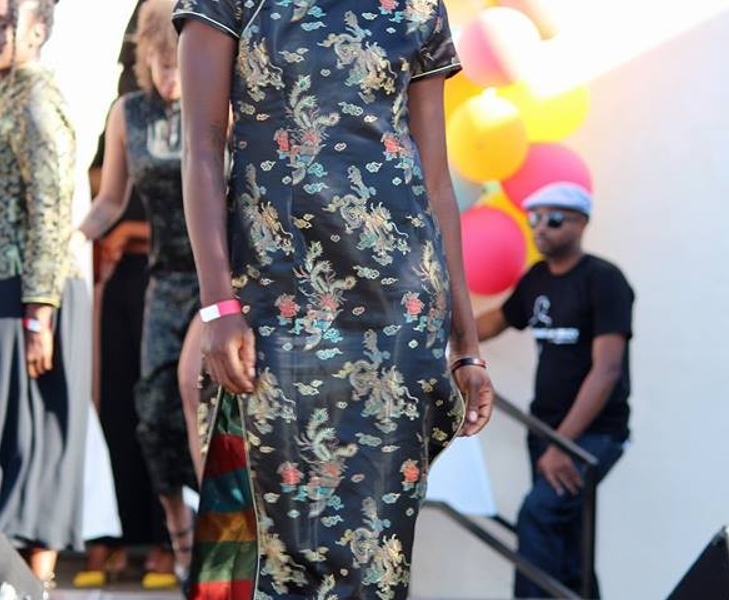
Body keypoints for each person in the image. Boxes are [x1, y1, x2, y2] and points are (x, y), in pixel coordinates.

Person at [172, 1, 495, 598]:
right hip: (280, 305)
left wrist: (466, 345)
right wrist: (218, 303)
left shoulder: (418, 7)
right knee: (285, 552)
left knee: (376, 559)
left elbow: (436, 180)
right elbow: (201, 146)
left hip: (401, 314)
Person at [0, 0, 89, 587]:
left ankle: (21, 584)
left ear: (37, 30)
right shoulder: (6, 95)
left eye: (2, 24)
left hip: (16, 298)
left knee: (11, 450)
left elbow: (51, 208)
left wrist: (39, 313)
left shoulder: (35, 100)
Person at [74, 0, 198, 588]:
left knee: (201, 403)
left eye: (179, 65)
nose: (171, 78)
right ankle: (180, 532)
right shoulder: (128, 114)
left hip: (217, 278)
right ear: (144, 58)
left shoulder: (214, 105)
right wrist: (70, 240)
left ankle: (222, 536)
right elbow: (109, 201)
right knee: (152, 415)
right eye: (161, 65)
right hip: (165, 280)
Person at [476, 182, 634, 598]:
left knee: (539, 515)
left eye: (554, 219)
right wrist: (439, 333)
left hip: (592, 435)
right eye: (534, 218)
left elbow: (607, 370)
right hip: (545, 430)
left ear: (580, 223)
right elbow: (496, 321)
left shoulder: (604, 280)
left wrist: (564, 445)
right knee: (568, 541)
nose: (540, 227)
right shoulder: (538, 279)